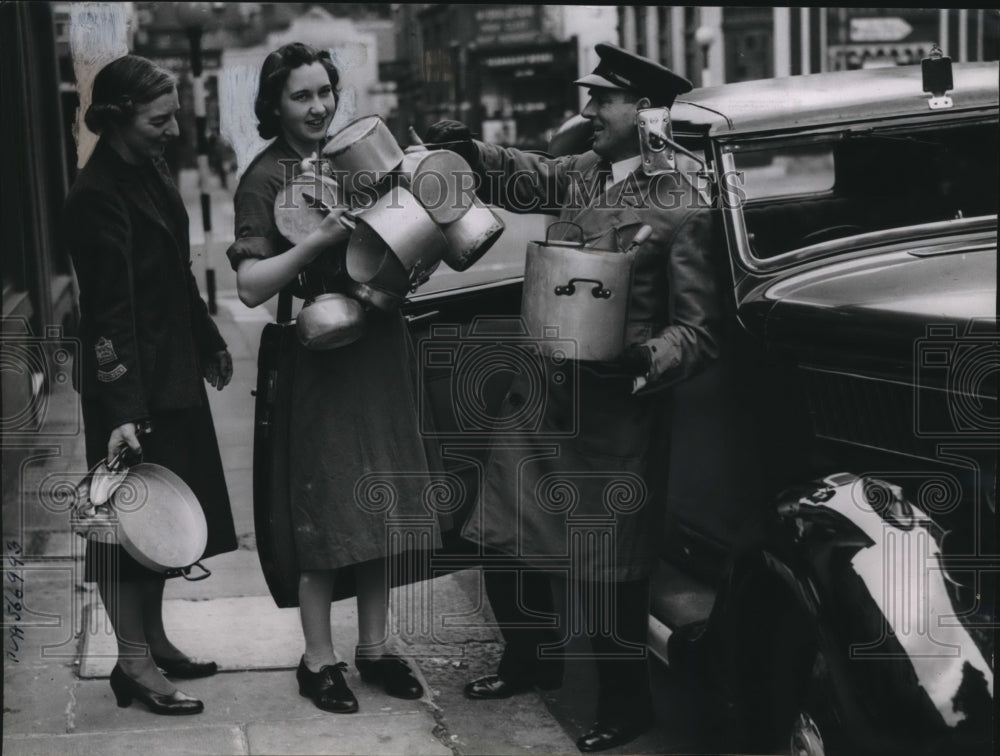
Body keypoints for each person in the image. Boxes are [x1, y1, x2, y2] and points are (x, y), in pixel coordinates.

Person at [422, 43, 724, 753]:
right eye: (590, 99)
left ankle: (627, 704)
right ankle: (531, 659)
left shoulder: (683, 204)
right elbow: (528, 173)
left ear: (645, 112)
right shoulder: (583, 176)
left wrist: (645, 358)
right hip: (543, 401)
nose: (588, 112)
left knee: (613, 569)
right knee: (502, 536)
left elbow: (701, 332)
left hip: (616, 413)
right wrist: (468, 152)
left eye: (603, 101)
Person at [228, 41, 432, 714]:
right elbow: (252, 286)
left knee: (379, 499)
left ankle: (374, 648)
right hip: (317, 352)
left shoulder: (360, 156)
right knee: (319, 509)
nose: (317, 107)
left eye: (324, 92)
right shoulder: (262, 179)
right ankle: (318, 658)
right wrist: (314, 244)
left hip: (377, 344)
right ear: (274, 106)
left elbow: (409, 237)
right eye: (301, 96)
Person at [61, 54, 238, 715]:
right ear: (118, 119)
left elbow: (175, 273)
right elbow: (108, 312)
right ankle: (131, 664)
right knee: (125, 529)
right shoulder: (94, 196)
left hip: (171, 375)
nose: (172, 129)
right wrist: (123, 410)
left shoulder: (150, 169)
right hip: (129, 390)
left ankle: (155, 641)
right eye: (160, 119)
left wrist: (211, 341)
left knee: (165, 522)